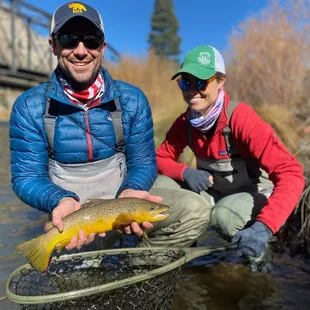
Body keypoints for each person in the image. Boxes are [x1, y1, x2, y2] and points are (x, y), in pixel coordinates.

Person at [10, 2, 210, 253]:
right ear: (54, 45)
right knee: (79, 284)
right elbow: (26, 178)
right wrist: (60, 200)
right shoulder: (28, 107)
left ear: (102, 47)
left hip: (123, 199)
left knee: (195, 210)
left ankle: (140, 267)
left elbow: (143, 163)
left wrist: (133, 190)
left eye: (91, 40)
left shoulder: (132, 99)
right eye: (69, 39)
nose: (81, 51)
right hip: (72, 213)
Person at [155, 45, 305, 269]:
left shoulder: (241, 118)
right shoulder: (185, 123)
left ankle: (258, 256)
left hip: (252, 193)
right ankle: (175, 251)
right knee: (158, 186)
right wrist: (185, 171)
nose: (192, 91)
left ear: (221, 80)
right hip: (217, 191)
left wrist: (264, 226)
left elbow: (292, 174)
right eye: (185, 82)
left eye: (201, 82)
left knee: (224, 217)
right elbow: (159, 158)